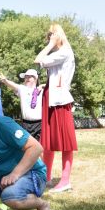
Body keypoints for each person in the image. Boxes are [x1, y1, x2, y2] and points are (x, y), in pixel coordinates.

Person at [34, 24, 78, 193]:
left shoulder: (64, 51)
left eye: (52, 35)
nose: (49, 37)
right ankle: (46, 177)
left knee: (66, 143)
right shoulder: (58, 53)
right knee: (48, 142)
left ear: (58, 35)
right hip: (51, 98)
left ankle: (65, 181)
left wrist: (51, 44)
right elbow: (56, 75)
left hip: (59, 101)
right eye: (48, 35)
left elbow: (38, 59)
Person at [0, 69, 43, 140]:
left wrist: (42, 85)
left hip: (39, 124)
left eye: (29, 77)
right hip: (25, 123)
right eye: (26, 77)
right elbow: (13, 85)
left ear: (35, 78)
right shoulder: (22, 89)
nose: (27, 79)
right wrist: (5, 80)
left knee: (38, 147)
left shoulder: (42, 90)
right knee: (26, 146)